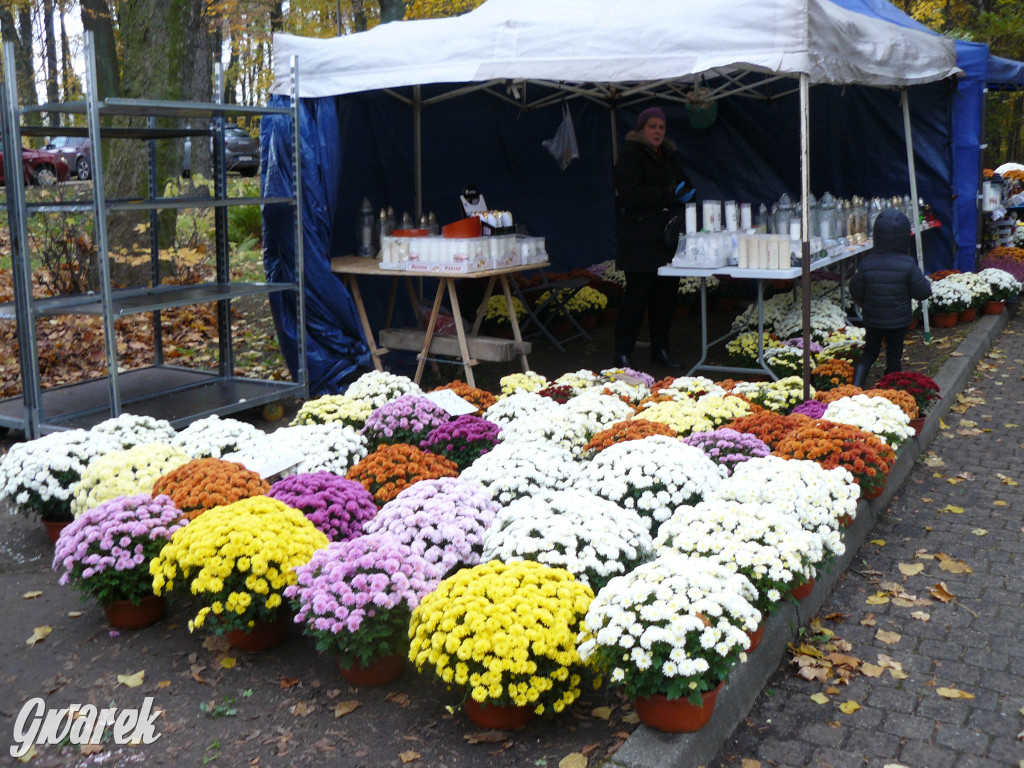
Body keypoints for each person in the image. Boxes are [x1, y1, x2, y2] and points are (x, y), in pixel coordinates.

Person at [612, 106, 695, 370]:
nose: (658, 131)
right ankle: (623, 352)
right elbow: (631, 195)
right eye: (652, 126)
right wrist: (670, 194)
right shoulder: (630, 155)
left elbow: (683, 183)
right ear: (641, 129)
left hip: (666, 239)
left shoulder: (669, 155)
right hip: (639, 239)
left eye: (661, 127)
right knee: (636, 298)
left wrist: (688, 191)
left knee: (665, 298)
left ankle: (660, 349)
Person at [849, 208, 932, 387]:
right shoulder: (908, 264)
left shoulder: (867, 263)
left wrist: (865, 304)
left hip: (873, 319)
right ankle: (892, 392)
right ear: (903, 236)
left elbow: (854, 290)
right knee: (894, 356)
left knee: (869, 353)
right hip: (898, 320)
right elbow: (923, 292)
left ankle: (854, 389)